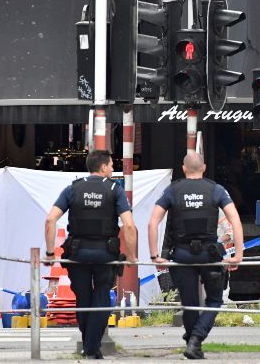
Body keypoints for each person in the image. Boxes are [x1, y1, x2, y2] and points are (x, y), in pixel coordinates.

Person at [42, 150, 138, 360]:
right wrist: (131, 256)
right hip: (105, 253)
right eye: (112, 165)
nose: (113, 169)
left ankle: (88, 344)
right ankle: (92, 348)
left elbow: (50, 220)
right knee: (102, 297)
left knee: (83, 298)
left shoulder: (73, 188)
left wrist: (50, 253)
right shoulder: (115, 190)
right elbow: (129, 226)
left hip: (77, 254)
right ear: (103, 167)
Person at [148, 152, 244, 360]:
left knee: (189, 302)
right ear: (204, 167)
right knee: (215, 300)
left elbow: (153, 221)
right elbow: (235, 220)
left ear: (184, 169)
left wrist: (155, 255)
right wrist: (239, 254)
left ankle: (192, 341)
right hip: (208, 254)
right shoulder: (216, 189)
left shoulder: (173, 190)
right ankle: (196, 340)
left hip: (182, 254)